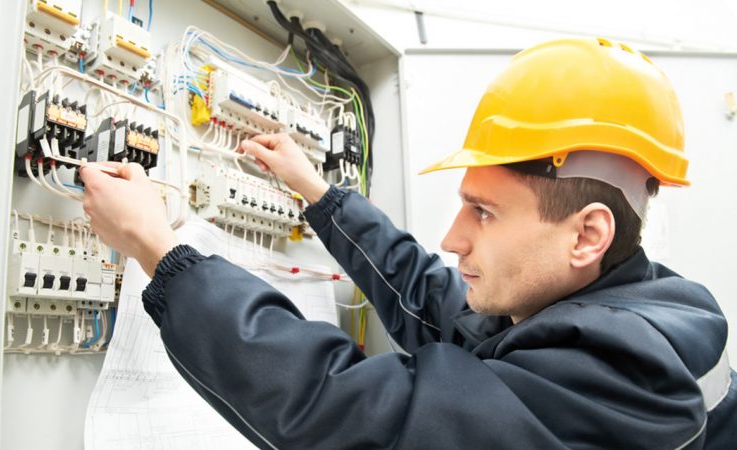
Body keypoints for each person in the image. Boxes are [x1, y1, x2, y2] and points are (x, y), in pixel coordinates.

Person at [80, 37, 736, 449]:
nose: (453, 238)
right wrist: (320, 193)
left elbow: (345, 411)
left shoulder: (618, 378)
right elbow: (438, 306)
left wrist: (159, 250)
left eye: (484, 212)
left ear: (588, 234)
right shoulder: (611, 308)